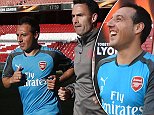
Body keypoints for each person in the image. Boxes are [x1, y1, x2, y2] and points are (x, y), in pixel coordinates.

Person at [2, 16, 74, 115]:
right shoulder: (14, 56)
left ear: (36, 35)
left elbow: (72, 67)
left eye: (23, 35)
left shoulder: (51, 55)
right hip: (28, 112)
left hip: (50, 111)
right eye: (17, 35)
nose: (19, 39)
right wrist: (11, 79)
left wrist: (59, 79)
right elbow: (5, 81)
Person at [95, 3, 154, 115]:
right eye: (111, 19)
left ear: (138, 27)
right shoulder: (102, 66)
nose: (109, 24)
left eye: (119, 19)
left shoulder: (151, 68)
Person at [58, 0, 107, 115]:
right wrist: (70, 90)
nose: (75, 21)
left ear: (93, 17)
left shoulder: (106, 45)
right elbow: (82, 82)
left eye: (80, 15)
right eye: (73, 16)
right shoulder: (78, 47)